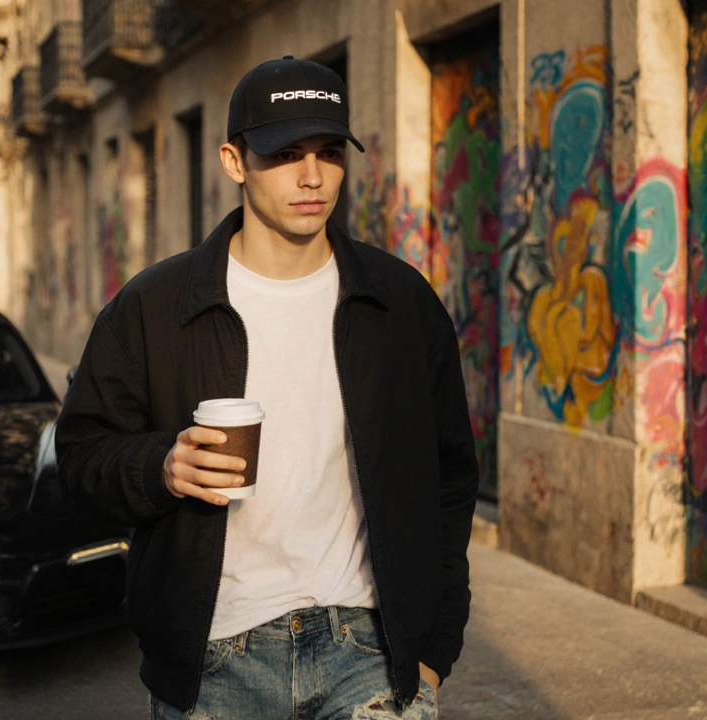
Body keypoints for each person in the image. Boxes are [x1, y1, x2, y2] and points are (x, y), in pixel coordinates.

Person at [55, 55, 479, 719]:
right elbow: (80, 458)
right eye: (284, 155)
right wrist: (161, 467)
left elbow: (450, 478)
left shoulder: (399, 302)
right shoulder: (155, 306)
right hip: (216, 660)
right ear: (234, 162)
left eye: (329, 152)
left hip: (367, 651)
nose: (312, 177)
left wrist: (433, 651)